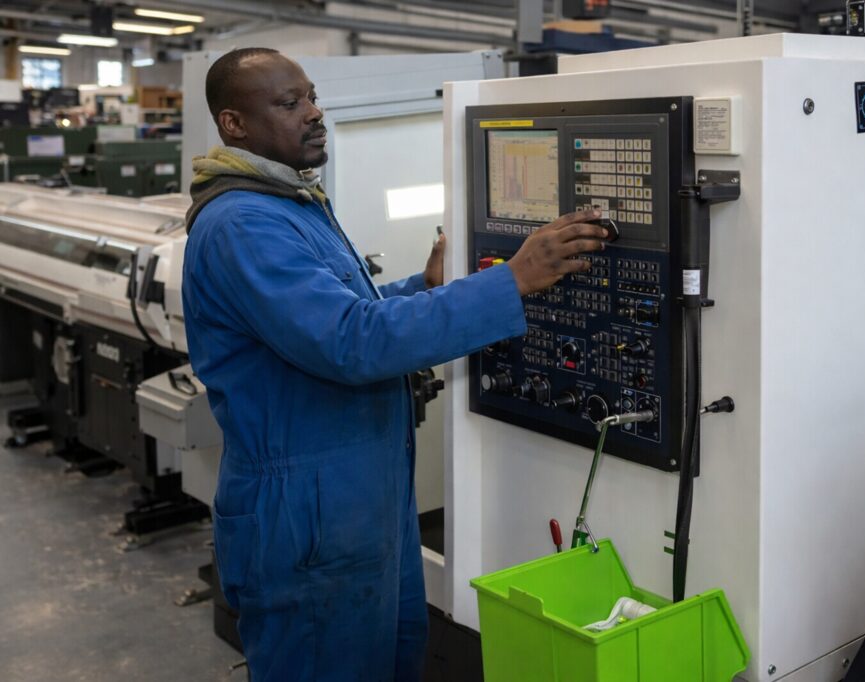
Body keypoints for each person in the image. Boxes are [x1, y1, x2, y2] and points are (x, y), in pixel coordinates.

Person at [181, 48, 608, 682]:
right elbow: (351, 342)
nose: (315, 112)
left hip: (358, 506)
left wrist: (425, 288)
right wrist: (513, 280)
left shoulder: (290, 203)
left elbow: (344, 313)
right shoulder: (244, 222)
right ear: (233, 124)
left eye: (312, 95)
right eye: (290, 103)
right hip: (307, 517)